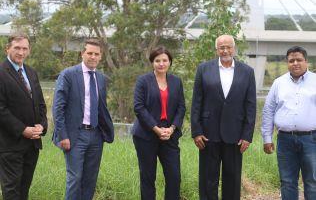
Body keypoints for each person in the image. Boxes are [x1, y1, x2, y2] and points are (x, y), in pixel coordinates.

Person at [191, 34, 256, 200]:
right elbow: (197, 102)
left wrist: (247, 135)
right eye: (222, 47)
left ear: (234, 48)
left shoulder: (247, 72)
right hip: (207, 134)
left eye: (228, 47)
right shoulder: (204, 69)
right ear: (217, 49)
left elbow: (250, 105)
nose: (225, 50)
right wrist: (196, 131)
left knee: (232, 180)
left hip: (235, 135)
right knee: (207, 179)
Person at [52, 38, 114, 200]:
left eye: (96, 54)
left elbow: (102, 107)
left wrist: (105, 131)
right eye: (90, 53)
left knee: (90, 180)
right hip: (74, 136)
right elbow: (58, 107)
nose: (93, 57)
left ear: (101, 56)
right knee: (75, 178)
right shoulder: (68, 75)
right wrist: (62, 135)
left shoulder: (100, 78)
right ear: (82, 54)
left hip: (95, 136)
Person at [262, 46, 316, 200]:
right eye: (291, 60)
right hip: (285, 140)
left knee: (312, 181)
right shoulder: (278, 83)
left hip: (312, 140)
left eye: (299, 60)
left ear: (306, 61)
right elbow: (268, 110)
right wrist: (267, 138)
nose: (295, 63)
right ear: (287, 63)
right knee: (287, 181)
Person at [132, 46, 186, 200]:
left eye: (164, 60)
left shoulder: (176, 81)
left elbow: (181, 107)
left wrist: (172, 128)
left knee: (174, 176)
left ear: (169, 62)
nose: (161, 63)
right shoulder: (143, 81)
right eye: (157, 60)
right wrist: (156, 129)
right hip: (146, 135)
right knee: (148, 177)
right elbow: (139, 107)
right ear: (152, 62)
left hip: (169, 135)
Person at [0, 33, 48, 200]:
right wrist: (22, 130)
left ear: (29, 50)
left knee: (24, 189)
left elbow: (40, 104)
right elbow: (1, 109)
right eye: (17, 48)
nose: (21, 52)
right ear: (7, 49)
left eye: (24, 48)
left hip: (32, 144)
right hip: (10, 144)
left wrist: (42, 125)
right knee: (11, 191)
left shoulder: (31, 72)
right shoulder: (1, 72)